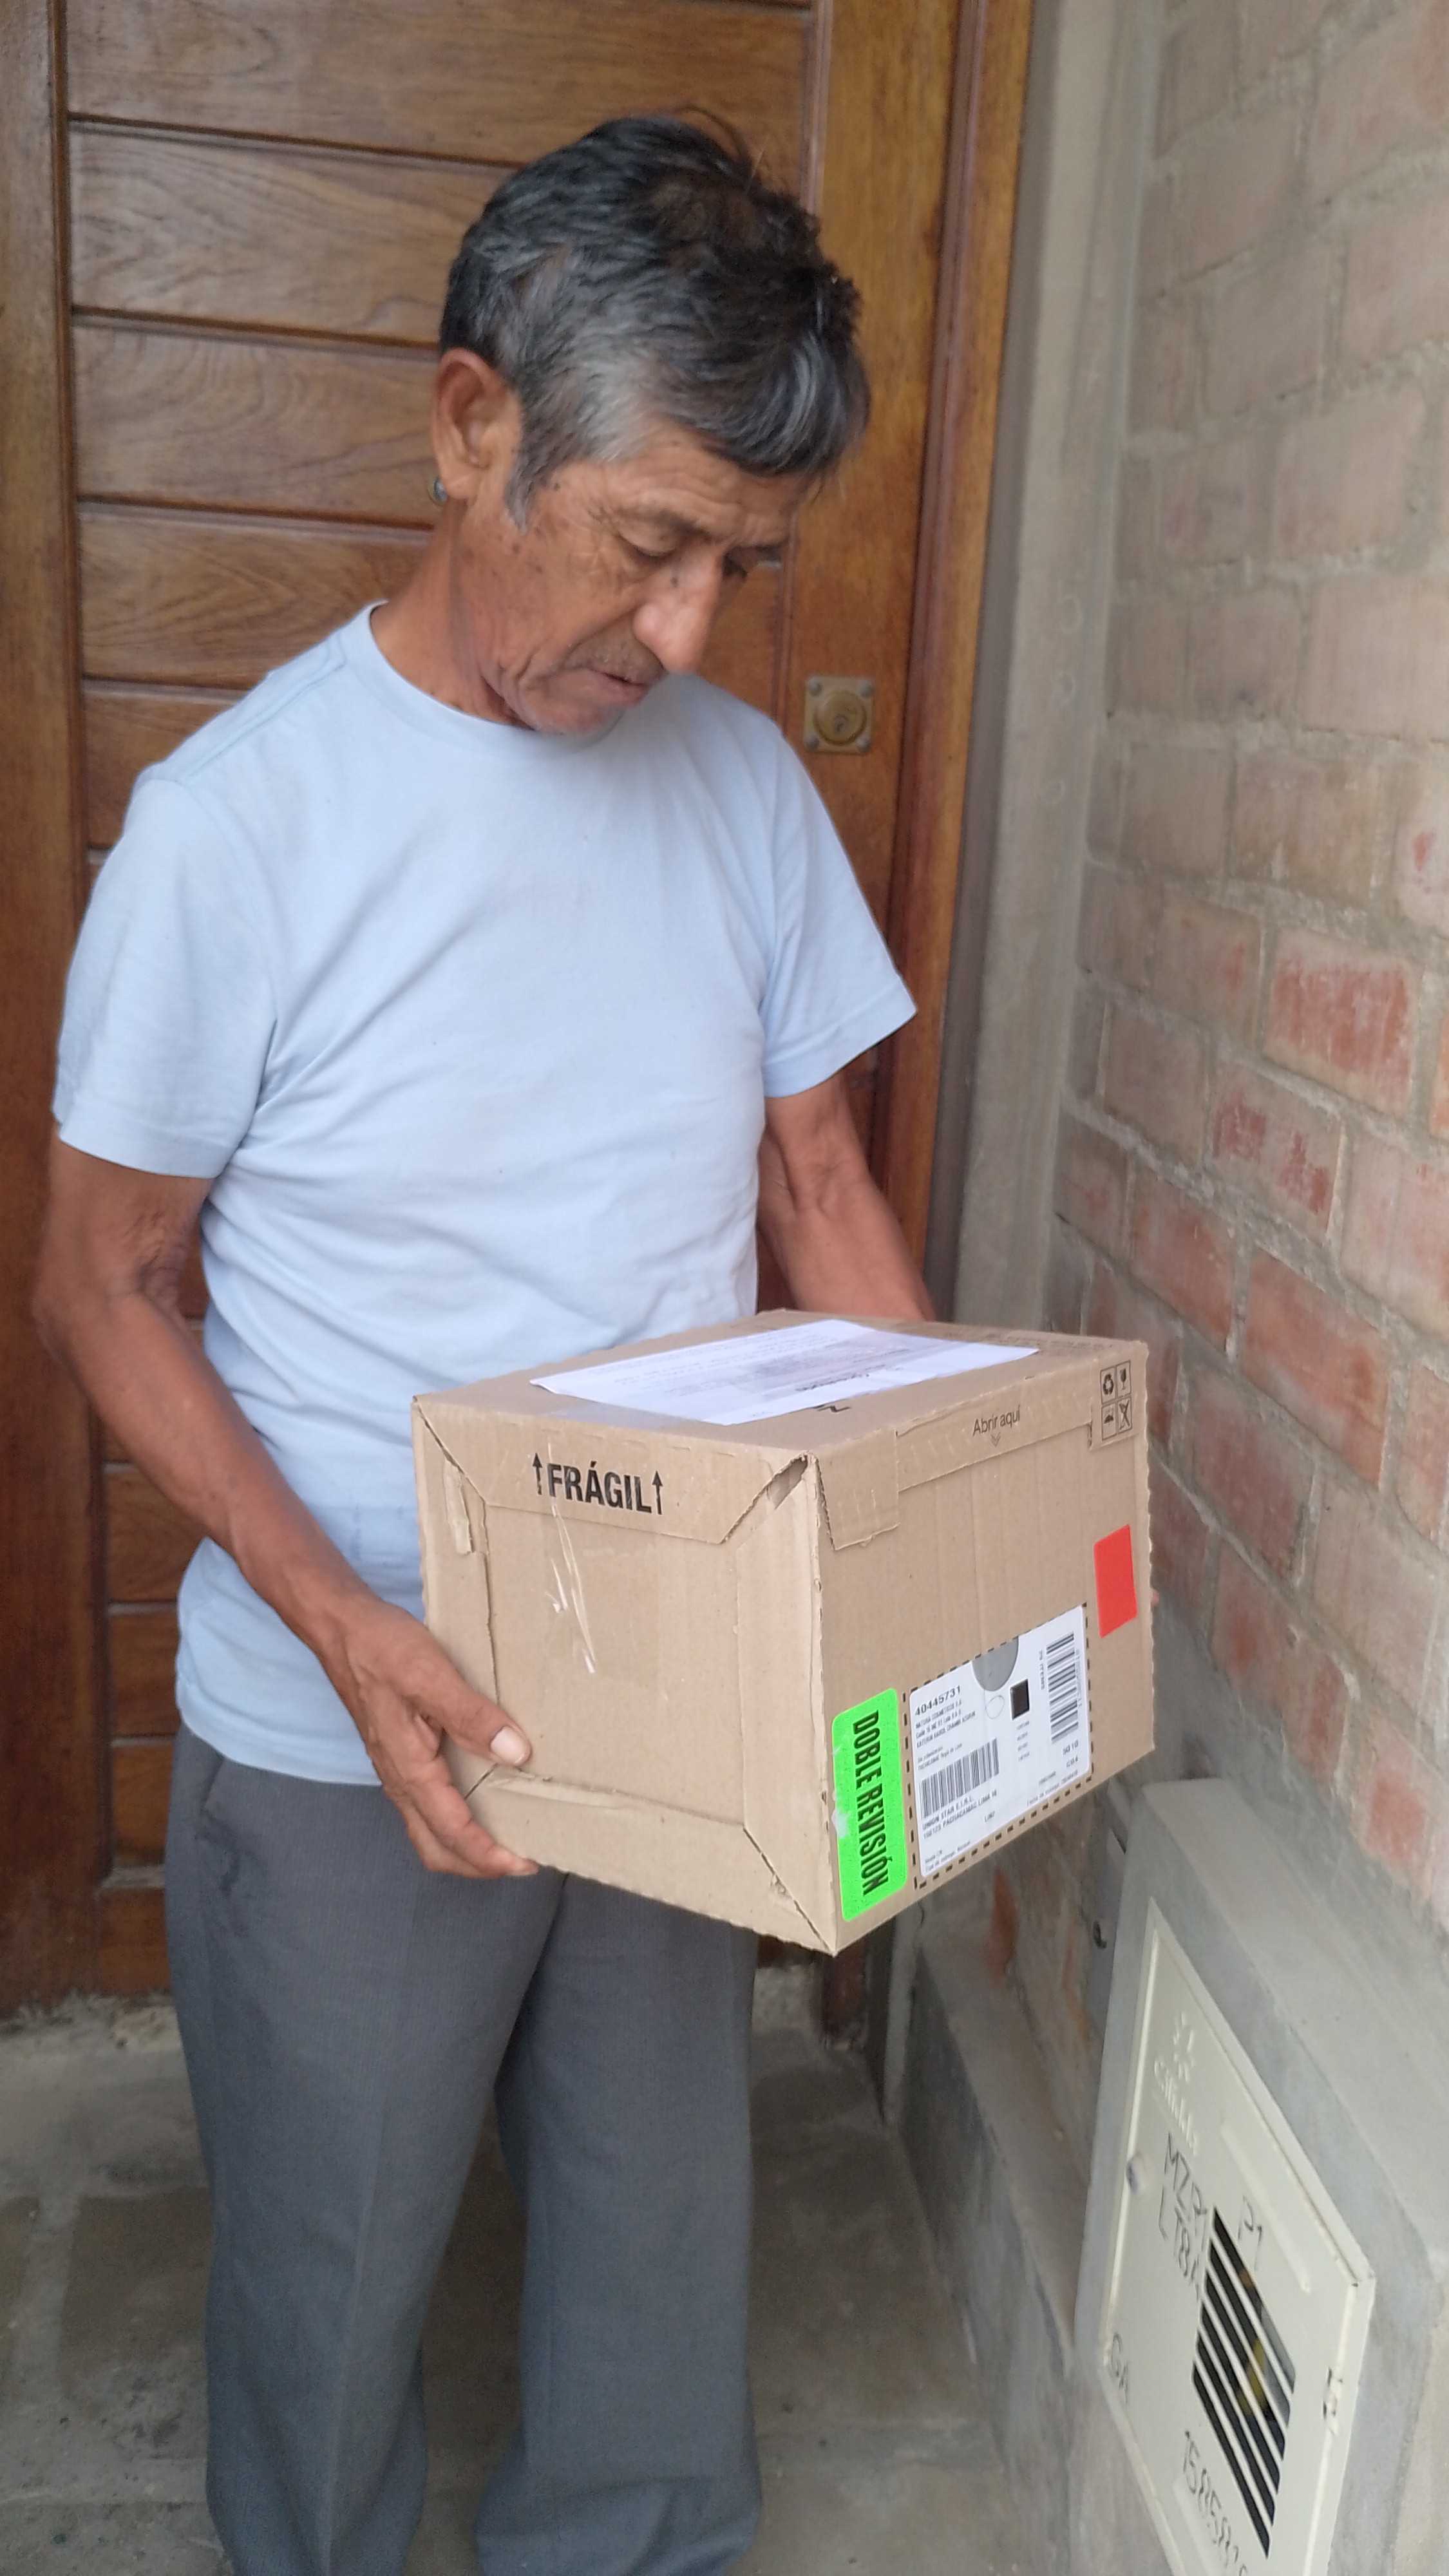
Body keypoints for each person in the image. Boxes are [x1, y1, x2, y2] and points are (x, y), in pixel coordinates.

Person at [35, 117, 933, 2576]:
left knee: (653, 2233)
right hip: (350, 1705)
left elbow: (820, 1190)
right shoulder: (238, 829)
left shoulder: (742, 789)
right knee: (332, 2267)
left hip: (666, 1674)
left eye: (741, 570)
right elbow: (100, 1282)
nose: (687, 638)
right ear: (471, 428)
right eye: (648, 544)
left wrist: (919, 1610)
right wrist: (343, 1630)